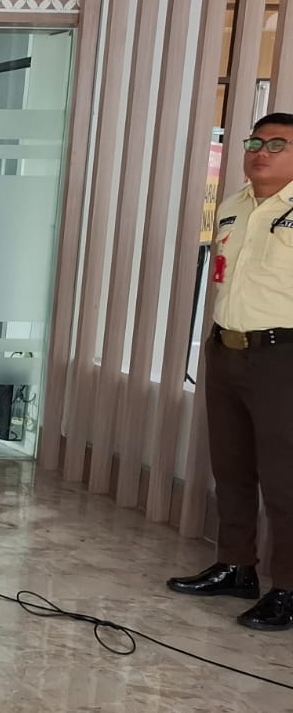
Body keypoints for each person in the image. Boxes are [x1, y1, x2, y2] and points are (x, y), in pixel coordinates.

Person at [165, 112, 293, 632]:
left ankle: (288, 589)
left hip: (282, 355)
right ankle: (237, 566)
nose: (262, 153)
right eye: (255, 143)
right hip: (227, 349)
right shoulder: (234, 206)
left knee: (285, 478)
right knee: (231, 467)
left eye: (278, 145)